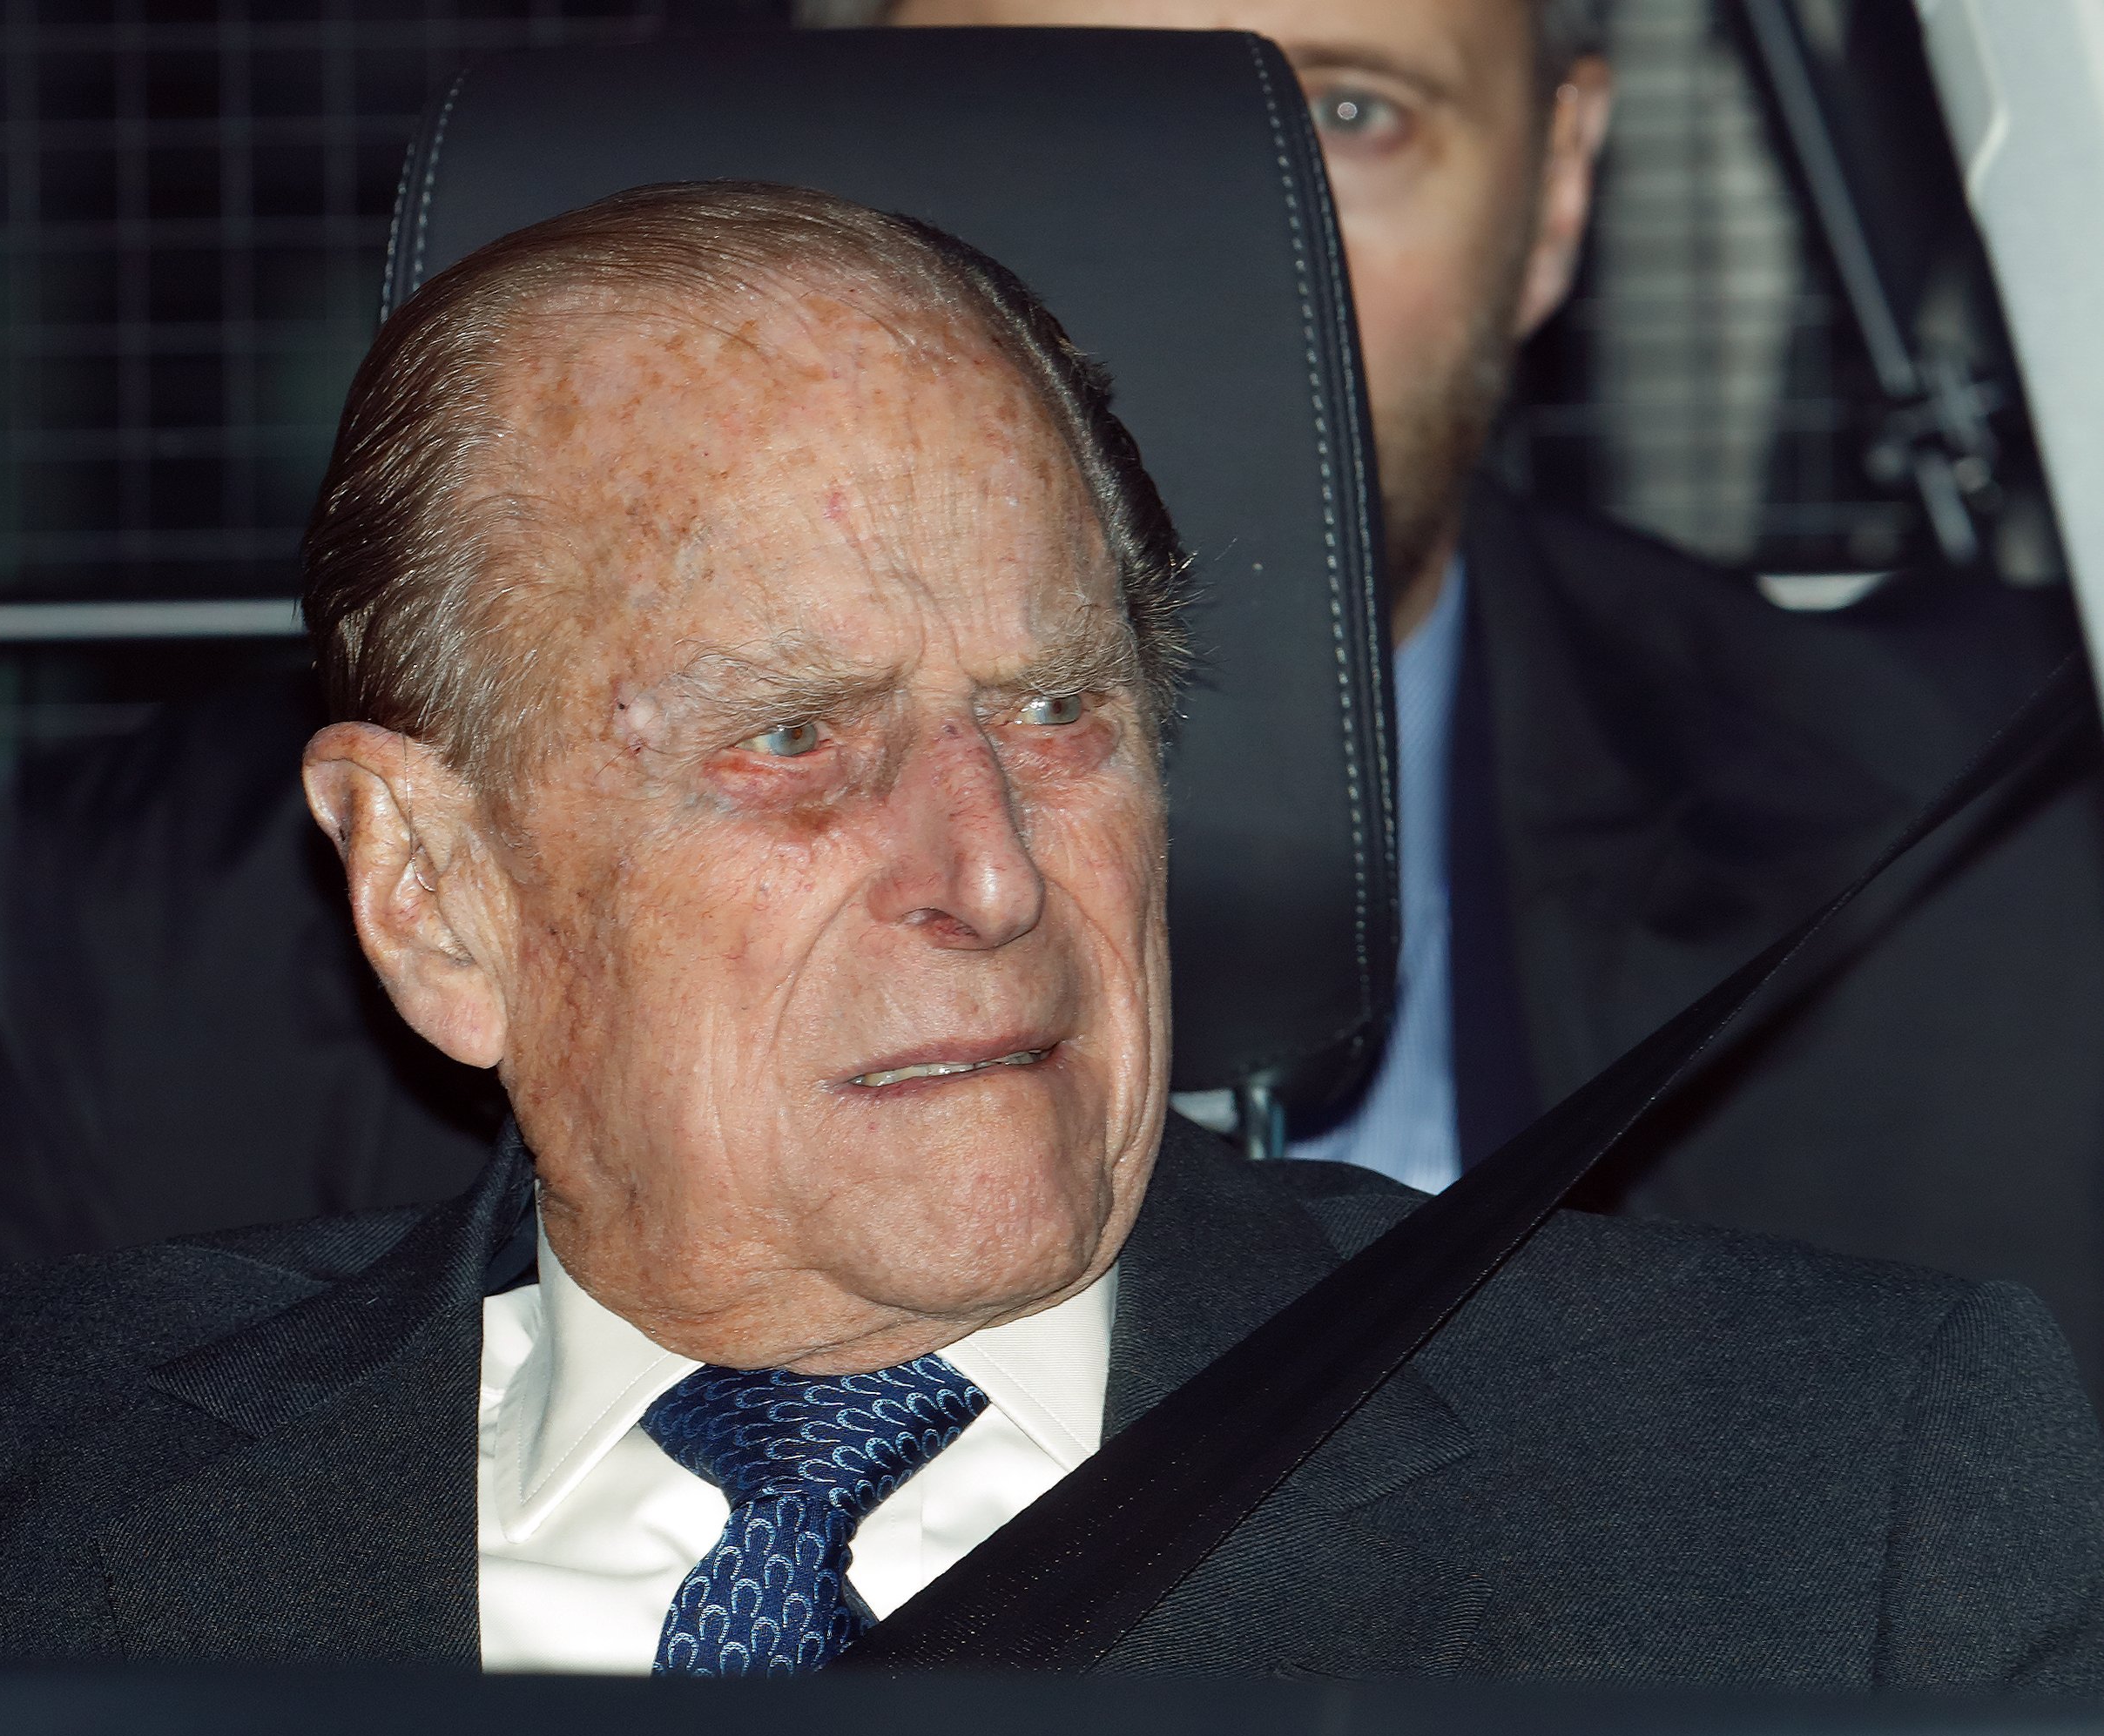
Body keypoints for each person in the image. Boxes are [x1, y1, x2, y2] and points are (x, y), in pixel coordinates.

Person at [0, 185, 2101, 1681]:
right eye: (789, 742)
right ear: (433, 889)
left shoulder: (1827, 1508)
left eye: (1055, 708)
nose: (988, 871)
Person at [877, 0, 2104, 1376]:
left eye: (1346, 117)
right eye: (1048, 114)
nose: (1194, 255)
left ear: (1560, 186)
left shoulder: (1991, 863)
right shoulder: (597, 882)